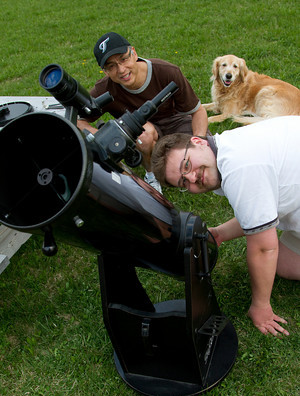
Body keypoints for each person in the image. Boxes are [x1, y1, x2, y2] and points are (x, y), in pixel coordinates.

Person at [151, 115, 300, 336]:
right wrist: (221, 233)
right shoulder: (228, 147)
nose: (192, 178)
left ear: (198, 141)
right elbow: (259, 208)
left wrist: (261, 307)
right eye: (184, 182)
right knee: (285, 264)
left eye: (187, 165)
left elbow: (264, 248)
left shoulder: (239, 168)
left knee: (275, 256)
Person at [77, 32, 208, 193]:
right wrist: (104, 136)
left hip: (175, 122)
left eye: (124, 59)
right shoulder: (104, 89)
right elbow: (78, 120)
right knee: (144, 135)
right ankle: (151, 175)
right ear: (105, 71)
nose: (121, 70)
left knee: (207, 156)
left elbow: (198, 112)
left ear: (134, 53)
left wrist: (198, 141)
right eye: (111, 66)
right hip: (141, 131)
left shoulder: (167, 71)